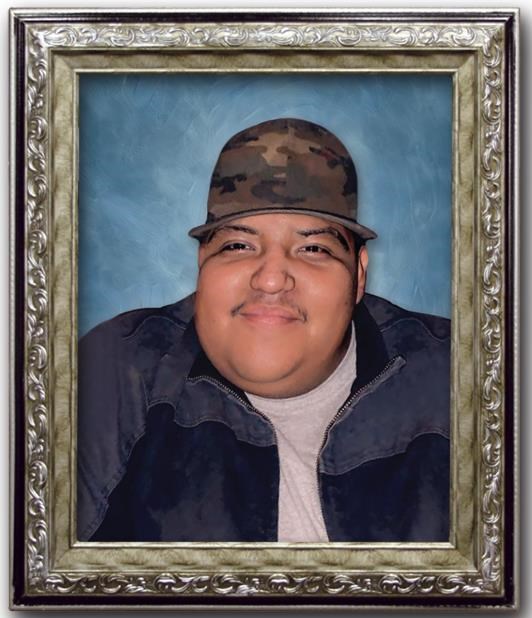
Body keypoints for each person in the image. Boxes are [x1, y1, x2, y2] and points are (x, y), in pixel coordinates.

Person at [77, 117, 450, 543]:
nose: (271, 279)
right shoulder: (119, 370)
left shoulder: (459, 378)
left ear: (359, 275)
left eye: (313, 248)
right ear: (202, 263)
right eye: (238, 245)